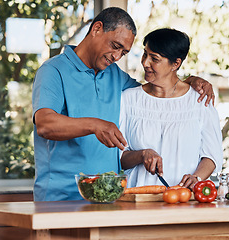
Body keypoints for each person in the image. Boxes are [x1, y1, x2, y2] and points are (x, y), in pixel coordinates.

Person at [32, 7, 215, 201]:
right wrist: (95, 125)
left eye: (124, 52)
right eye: (115, 45)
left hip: (107, 198)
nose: (117, 57)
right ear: (97, 29)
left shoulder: (114, 75)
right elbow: (45, 124)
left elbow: (156, 92)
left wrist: (190, 81)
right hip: (61, 198)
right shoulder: (53, 71)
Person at [119, 28, 223, 190]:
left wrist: (197, 177)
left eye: (155, 58)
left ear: (176, 63)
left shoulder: (200, 100)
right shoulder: (128, 99)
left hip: (184, 200)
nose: (145, 63)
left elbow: (212, 156)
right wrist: (142, 154)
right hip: (137, 200)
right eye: (145, 54)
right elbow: (119, 159)